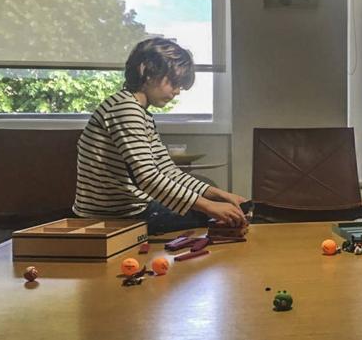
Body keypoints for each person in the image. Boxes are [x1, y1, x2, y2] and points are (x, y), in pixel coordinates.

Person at [73, 38, 247, 234]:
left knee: (217, 203)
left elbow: (167, 170)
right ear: (146, 71)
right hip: (117, 217)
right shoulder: (125, 109)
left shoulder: (138, 111)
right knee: (217, 216)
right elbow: (148, 178)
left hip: (132, 210)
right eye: (174, 82)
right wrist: (210, 207)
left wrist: (221, 196)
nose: (178, 91)